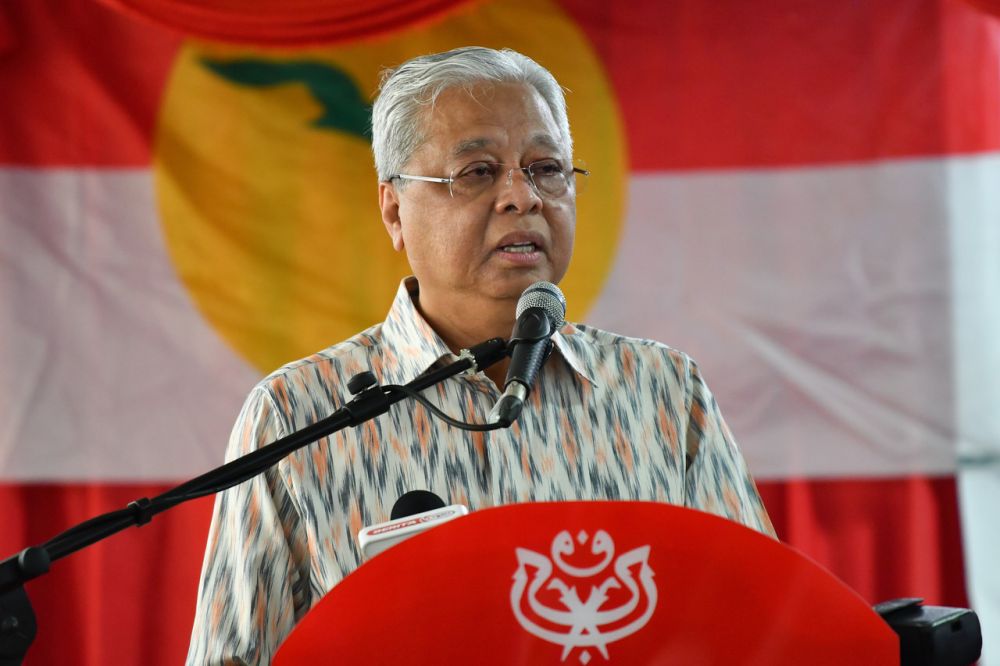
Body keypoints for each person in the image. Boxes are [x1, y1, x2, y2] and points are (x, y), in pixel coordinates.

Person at [186, 46, 774, 665]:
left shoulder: (661, 393)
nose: (523, 197)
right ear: (393, 209)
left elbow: (759, 629)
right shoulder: (298, 416)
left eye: (546, 167)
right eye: (478, 172)